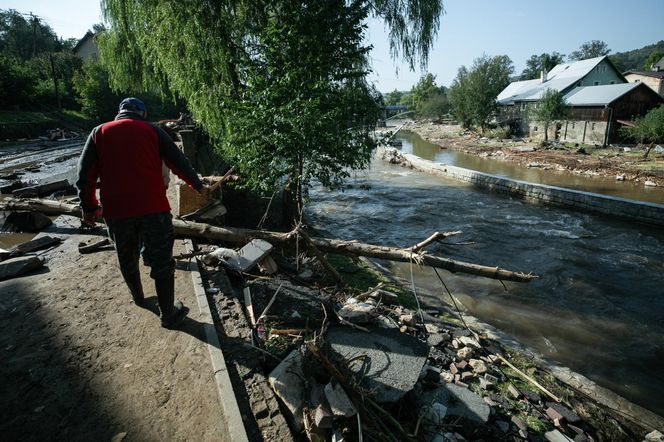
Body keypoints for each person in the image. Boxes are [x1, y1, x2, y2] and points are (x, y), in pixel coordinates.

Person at [76, 97, 203, 329]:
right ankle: (168, 314)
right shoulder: (153, 131)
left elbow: (85, 177)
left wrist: (89, 208)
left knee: (126, 256)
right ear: (142, 114)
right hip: (154, 208)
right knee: (161, 261)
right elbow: (178, 162)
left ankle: (138, 298)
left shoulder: (98, 132)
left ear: (120, 113)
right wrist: (197, 184)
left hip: (117, 211)